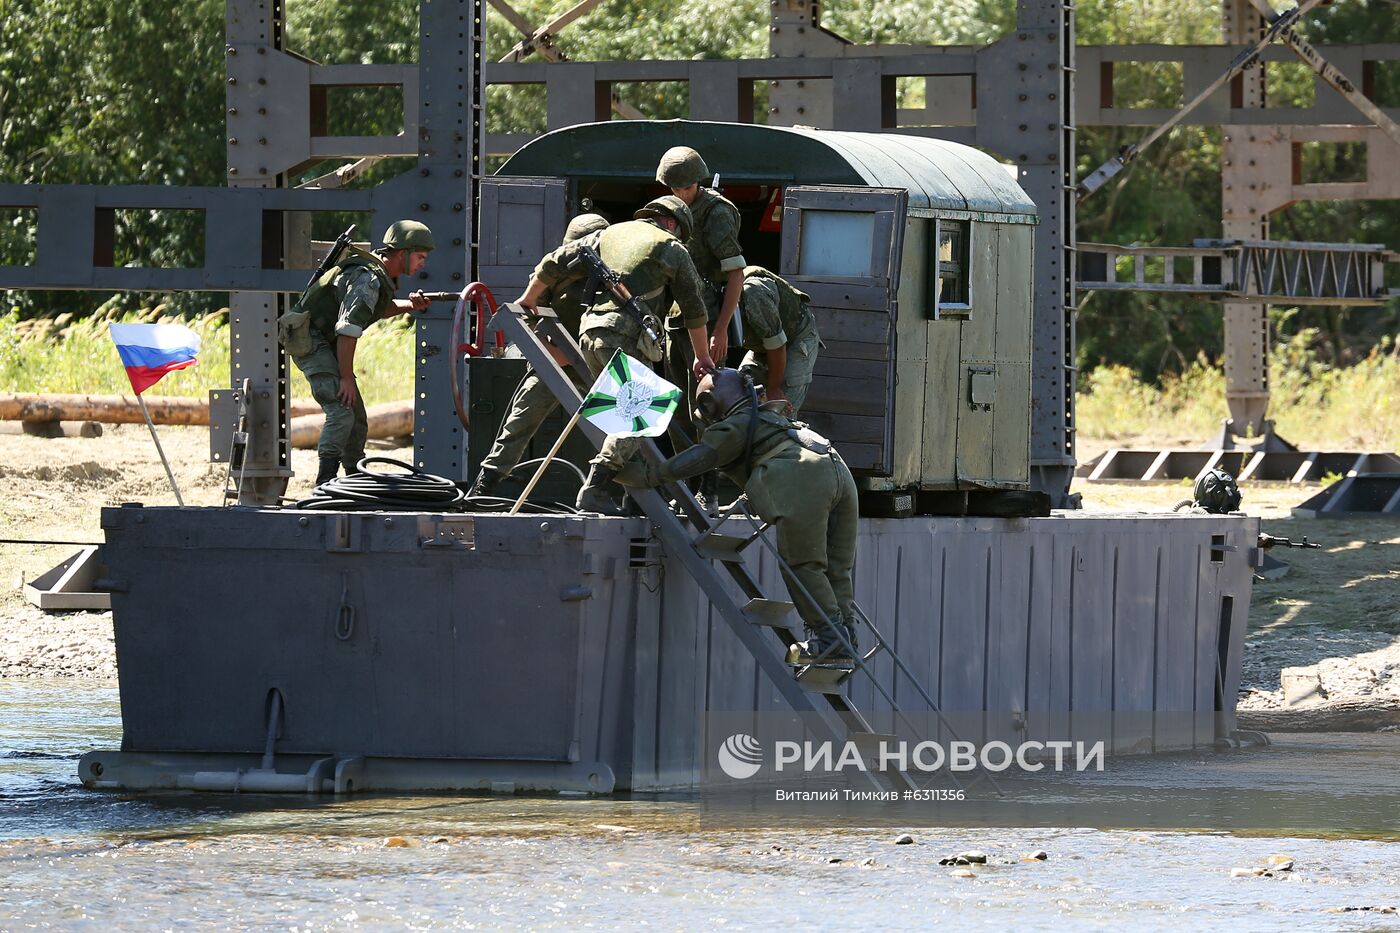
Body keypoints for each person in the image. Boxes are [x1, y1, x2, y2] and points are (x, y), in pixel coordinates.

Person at [604, 368, 859, 666]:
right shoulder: (771, 419)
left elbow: (703, 455)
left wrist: (649, 475)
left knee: (804, 565)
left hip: (801, 477)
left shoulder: (737, 424)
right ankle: (845, 638)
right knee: (837, 568)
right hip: (838, 469)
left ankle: (829, 640)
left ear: (710, 403)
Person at [515, 196, 716, 513]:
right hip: (626, 336)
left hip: (589, 334)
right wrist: (701, 357)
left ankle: (629, 499)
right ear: (672, 224)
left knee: (621, 416)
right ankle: (595, 488)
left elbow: (554, 261)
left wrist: (528, 298)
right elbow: (695, 311)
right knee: (644, 413)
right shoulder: (673, 248)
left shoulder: (609, 234)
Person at [467, 213, 610, 497]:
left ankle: (625, 494)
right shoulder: (550, 274)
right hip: (555, 361)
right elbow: (530, 318)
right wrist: (554, 353)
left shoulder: (617, 274)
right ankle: (485, 487)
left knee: (626, 432)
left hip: (601, 363)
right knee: (520, 421)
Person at [288, 220, 433, 487]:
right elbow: (347, 331)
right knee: (342, 410)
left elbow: (380, 309)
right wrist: (345, 379)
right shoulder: (368, 278)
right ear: (403, 253)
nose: (423, 263)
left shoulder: (378, 274)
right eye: (421, 256)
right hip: (311, 339)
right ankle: (325, 483)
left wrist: (410, 306)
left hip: (327, 338)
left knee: (357, 416)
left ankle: (354, 477)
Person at [655, 147, 746, 434]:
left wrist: (720, 330)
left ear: (699, 182)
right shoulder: (666, 211)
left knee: (707, 408)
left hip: (707, 321)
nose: (682, 194)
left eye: (689, 187)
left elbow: (736, 273)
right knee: (674, 409)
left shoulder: (716, 212)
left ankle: (710, 479)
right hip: (675, 319)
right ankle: (684, 478)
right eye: (676, 188)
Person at [732, 266, 820, 415]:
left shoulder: (754, 293)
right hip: (763, 342)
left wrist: (773, 389)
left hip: (796, 335)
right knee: (739, 392)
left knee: (780, 414)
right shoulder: (708, 297)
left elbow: (777, 346)